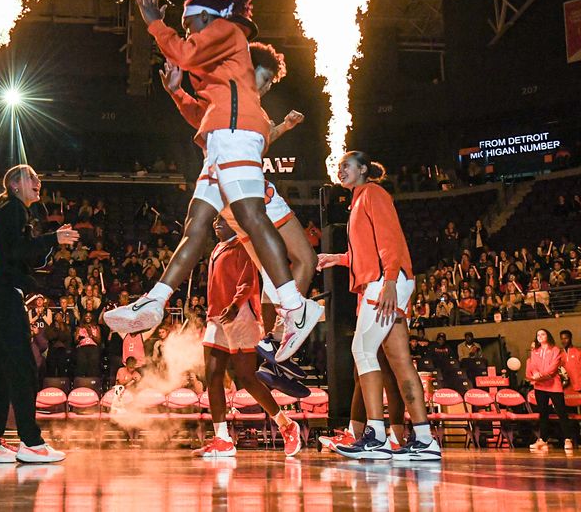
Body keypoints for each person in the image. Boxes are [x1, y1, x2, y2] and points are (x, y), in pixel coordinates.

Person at [105, 0, 322, 361]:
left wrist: (155, 21)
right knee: (196, 226)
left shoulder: (227, 29)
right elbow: (203, 112)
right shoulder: (219, 66)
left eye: (189, 24)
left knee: (253, 219)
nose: (188, 32)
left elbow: (183, 52)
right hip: (222, 140)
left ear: (206, 16)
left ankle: (295, 307)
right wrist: (176, 91)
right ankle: (154, 302)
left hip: (236, 136)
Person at [158, 42, 317, 374]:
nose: (270, 84)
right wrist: (177, 92)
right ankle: (281, 334)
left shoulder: (248, 107)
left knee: (273, 272)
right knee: (304, 259)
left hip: (230, 201)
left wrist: (284, 127)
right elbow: (196, 111)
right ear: (250, 68)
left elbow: (259, 139)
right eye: (268, 77)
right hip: (248, 193)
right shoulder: (230, 98)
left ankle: (273, 351)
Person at [317, 151, 438, 461]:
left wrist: (389, 282)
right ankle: (424, 440)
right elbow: (368, 251)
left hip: (385, 282)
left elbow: (391, 240)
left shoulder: (373, 193)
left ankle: (376, 436)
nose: (341, 170)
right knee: (400, 361)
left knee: (362, 351)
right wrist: (338, 259)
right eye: (339, 166)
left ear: (363, 169)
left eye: (346, 165)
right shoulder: (358, 199)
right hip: (386, 279)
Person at [0, 165, 79, 465]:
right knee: (22, 370)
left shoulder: (8, 211)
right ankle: (31, 442)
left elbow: (16, 254)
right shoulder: (14, 210)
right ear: (15, 184)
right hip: (5, 298)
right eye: (32, 178)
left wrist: (48, 244)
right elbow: (19, 251)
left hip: (0, 296)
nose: (38, 182)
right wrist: (51, 239)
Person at [194, 216, 301, 458]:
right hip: (217, 317)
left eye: (222, 218)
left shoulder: (244, 244)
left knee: (246, 377)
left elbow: (250, 280)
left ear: (235, 222)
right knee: (212, 375)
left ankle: (286, 425)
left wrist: (234, 304)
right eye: (215, 218)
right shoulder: (217, 248)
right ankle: (221, 438)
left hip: (241, 314)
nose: (216, 221)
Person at [527, 328, 573, 452]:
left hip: (554, 385)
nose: (540, 336)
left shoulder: (555, 350)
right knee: (543, 414)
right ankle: (543, 440)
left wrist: (540, 375)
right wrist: (536, 373)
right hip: (539, 386)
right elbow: (533, 365)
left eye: (542, 334)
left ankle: (567, 439)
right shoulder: (535, 351)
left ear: (548, 336)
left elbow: (553, 368)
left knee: (561, 412)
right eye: (538, 334)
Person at [74, 312, 101, 378]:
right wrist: (78, 338)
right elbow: (75, 341)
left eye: (90, 316)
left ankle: (92, 381)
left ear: (92, 318)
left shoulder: (96, 327)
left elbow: (99, 341)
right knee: (81, 365)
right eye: (86, 316)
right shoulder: (79, 328)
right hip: (82, 348)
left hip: (93, 348)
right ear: (84, 317)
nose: (88, 317)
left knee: (92, 366)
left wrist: (91, 334)